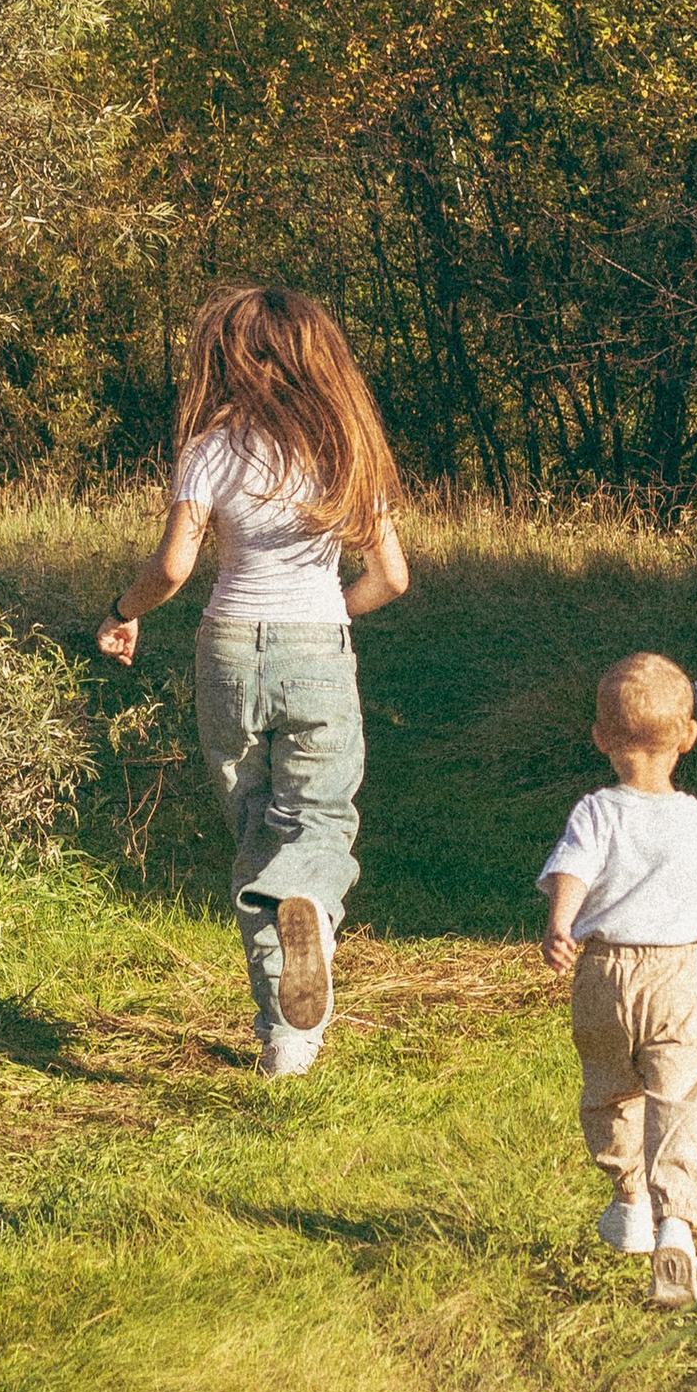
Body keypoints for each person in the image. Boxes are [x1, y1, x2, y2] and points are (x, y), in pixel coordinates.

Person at [96, 284, 409, 1075]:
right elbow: (391, 579)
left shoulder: (210, 448)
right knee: (319, 820)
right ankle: (303, 917)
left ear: (229, 359)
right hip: (319, 647)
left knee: (254, 828)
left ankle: (283, 1038)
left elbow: (173, 567)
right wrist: (327, 613)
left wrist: (122, 611)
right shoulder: (348, 446)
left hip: (228, 649)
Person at [538, 650, 697, 1308]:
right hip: (678, 972)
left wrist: (561, 924)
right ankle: (675, 1222)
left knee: (609, 1087)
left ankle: (628, 1198)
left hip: (602, 969)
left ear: (600, 738)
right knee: (685, 1098)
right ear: (689, 735)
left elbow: (574, 868)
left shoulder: (596, 811)